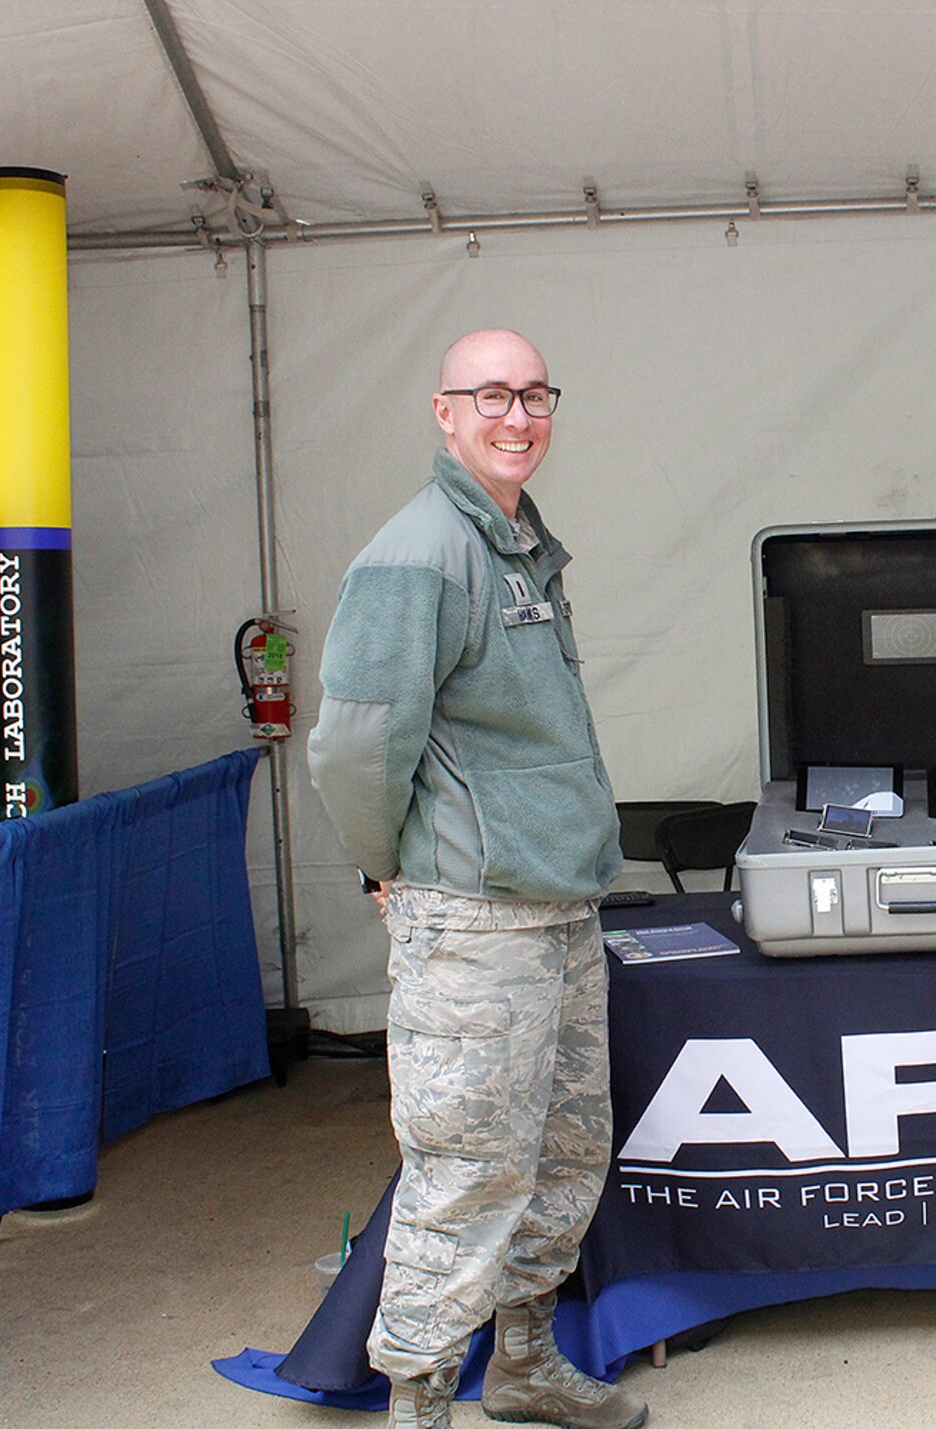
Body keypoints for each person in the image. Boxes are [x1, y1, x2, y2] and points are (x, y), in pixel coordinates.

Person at [307, 328, 641, 1429]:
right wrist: (384, 867)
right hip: (474, 922)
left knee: (562, 1153)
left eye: (536, 393)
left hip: (555, 910)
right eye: (490, 395)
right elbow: (357, 748)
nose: (517, 415)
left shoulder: (515, 542)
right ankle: (418, 1404)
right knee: (462, 1178)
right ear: (443, 412)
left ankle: (526, 1362)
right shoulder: (419, 553)